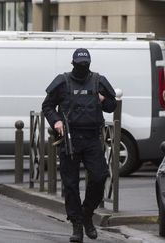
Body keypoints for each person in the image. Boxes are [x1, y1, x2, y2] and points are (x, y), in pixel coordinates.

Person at [42, 48, 117, 242]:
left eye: (85, 65)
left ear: (89, 64)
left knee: (100, 176)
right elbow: (47, 106)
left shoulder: (98, 80)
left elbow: (112, 105)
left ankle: (87, 213)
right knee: (71, 185)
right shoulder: (63, 81)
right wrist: (56, 121)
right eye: (79, 64)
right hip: (70, 137)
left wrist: (103, 99)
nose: (82, 68)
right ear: (72, 63)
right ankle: (77, 225)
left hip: (92, 138)